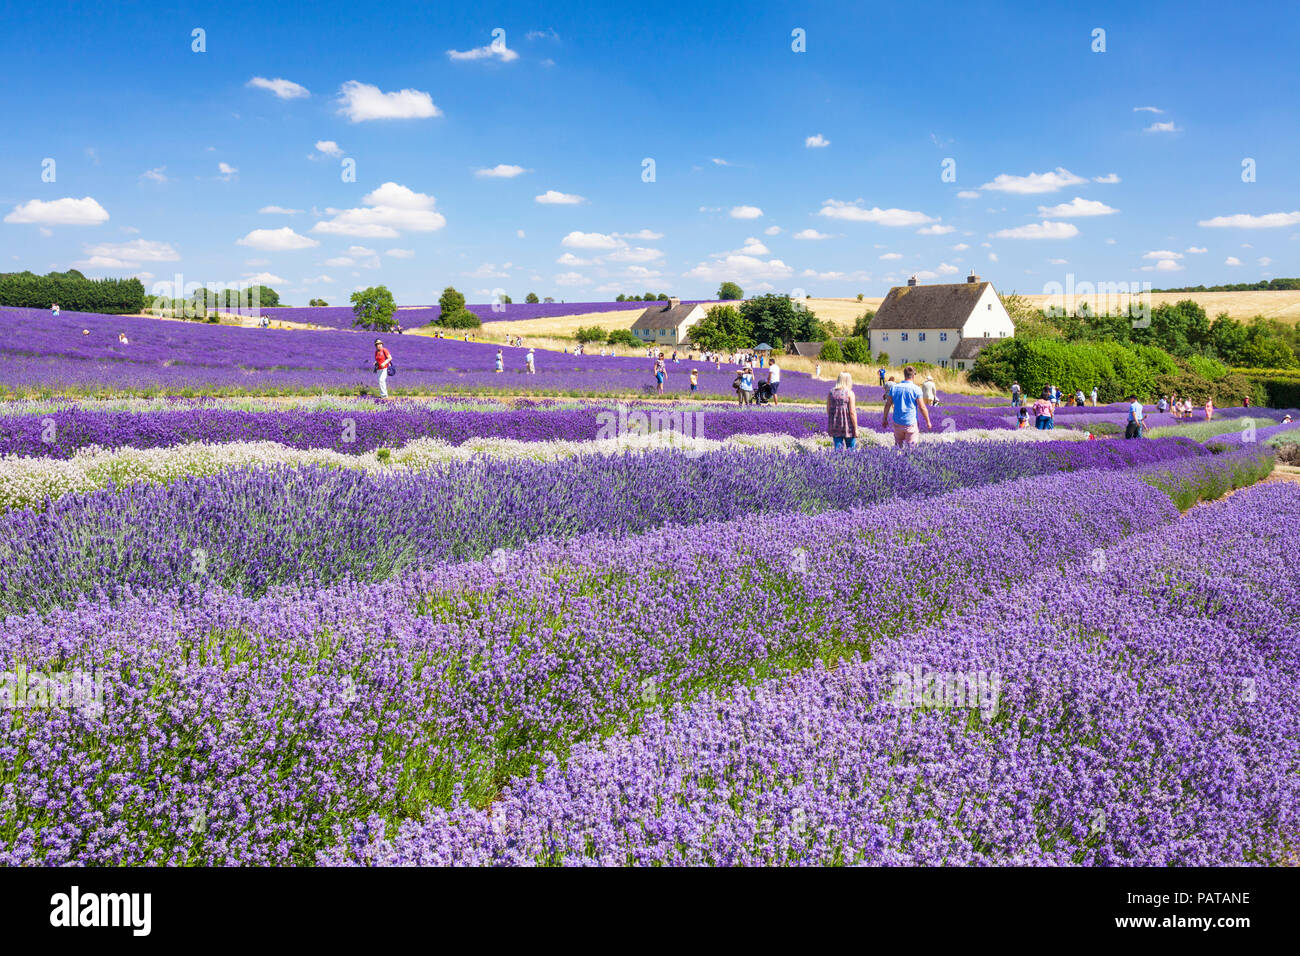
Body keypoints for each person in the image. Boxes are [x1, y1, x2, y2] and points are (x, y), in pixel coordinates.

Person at [881, 365, 932, 446]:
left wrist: (884, 419)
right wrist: (928, 422)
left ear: (904, 374)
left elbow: (887, 405)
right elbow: (922, 407)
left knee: (898, 448)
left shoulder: (894, 388)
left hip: (897, 422)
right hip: (910, 423)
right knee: (911, 449)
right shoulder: (916, 389)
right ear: (913, 375)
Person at [826, 372, 859, 450]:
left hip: (835, 425)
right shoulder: (849, 393)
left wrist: (833, 420)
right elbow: (852, 412)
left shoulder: (831, 392)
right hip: (848, 426)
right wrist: (856, 428)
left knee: (838, 450)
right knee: (851, 450)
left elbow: (828, 409)